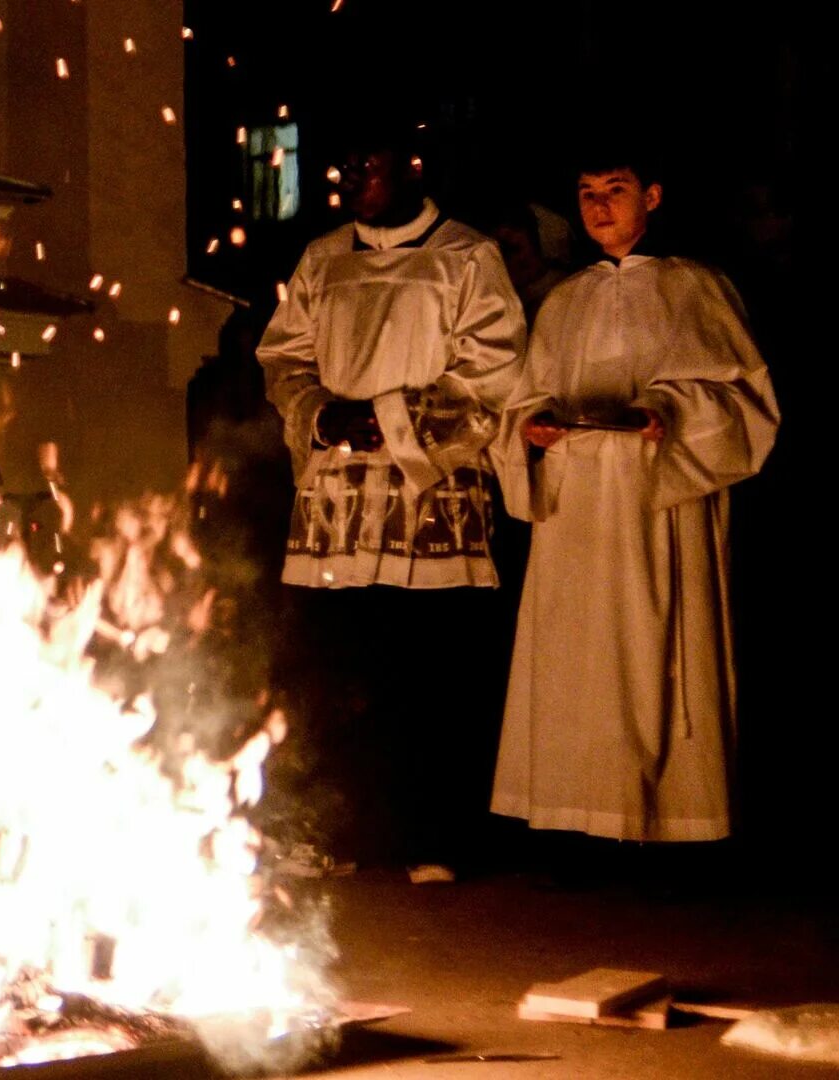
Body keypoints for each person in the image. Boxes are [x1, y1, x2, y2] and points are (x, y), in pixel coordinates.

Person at [258, 125, 527, 880]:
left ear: (410, 169)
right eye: (342, 168)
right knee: (346, 666)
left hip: (427, 489)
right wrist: (318, 411)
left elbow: (494, 369)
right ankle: (350, 832)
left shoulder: (468, 257)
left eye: (366, 166)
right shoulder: (321, 258)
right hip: (339, 495)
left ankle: (434, 836)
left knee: (430, 668)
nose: (351, 181)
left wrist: (394, 416)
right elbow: (283, 357)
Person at [490, 153, 778, 849]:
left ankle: (670, 821)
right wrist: (529, 430)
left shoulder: (697, 287)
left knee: (661, 654)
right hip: (578, 507)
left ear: (651, 195)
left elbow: (749, 402)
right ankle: (575, 819)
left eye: (615, 191)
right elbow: (524, 398)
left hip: (661, 496)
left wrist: (667, 412)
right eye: (586, 193)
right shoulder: (564, 300)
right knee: (576, 659)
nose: (599, 207)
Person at [490, 202, 568, 323]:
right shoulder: (500, 298)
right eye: (500, 252)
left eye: (513, 248)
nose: (508, 260)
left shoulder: (565, 290)